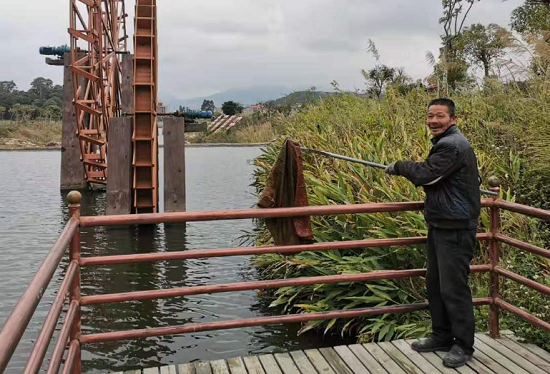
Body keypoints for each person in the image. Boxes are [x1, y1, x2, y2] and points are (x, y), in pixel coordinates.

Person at [385, 98, 480, 368]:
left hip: (456, 228)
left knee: (454, 289)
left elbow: (427, 175)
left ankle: (463, 345)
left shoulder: (452, 145)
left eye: (440, 116)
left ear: (452, 119)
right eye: (430, 116)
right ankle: (441, 336)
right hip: (441, 224)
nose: (433, 121)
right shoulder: (447, 142)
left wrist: (399, 166)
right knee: (436, 286)